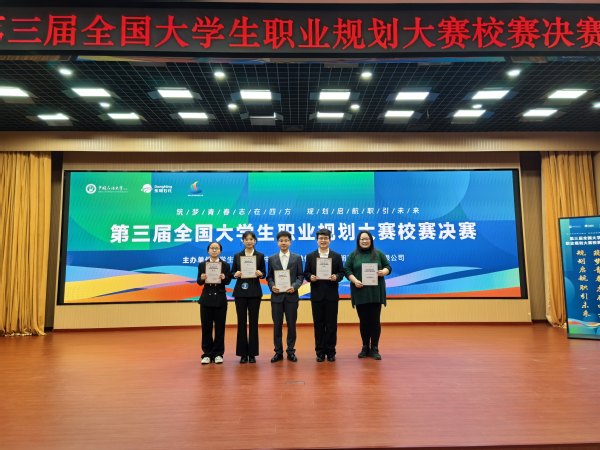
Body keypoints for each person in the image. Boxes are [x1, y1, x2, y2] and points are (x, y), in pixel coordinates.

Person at [344, 230, 392, 360]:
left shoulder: (378, 254)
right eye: (362, 239)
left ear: (371, 240)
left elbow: (388, 267)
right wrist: (355, 280)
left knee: (375, 321)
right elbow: (347, 270)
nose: (364, 241)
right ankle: (365, 347)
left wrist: (383, 272)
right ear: (358, 241)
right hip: (360, 292)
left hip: (375, 293)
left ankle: (374, 348)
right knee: (364, 321)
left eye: (367, 239)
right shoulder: (353, 255)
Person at [304, 228, 345, 362]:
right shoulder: (310, 256)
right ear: (317, 240)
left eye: (325, 238)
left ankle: (331, 351)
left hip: (331, 295)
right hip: (317, 295)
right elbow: (306, 273)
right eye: (320, 238)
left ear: (330, 240)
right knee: (318, 325)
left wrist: (336, 277)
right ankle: (320, 352)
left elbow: (341, 273)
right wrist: (310, 277)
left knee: (331, 325)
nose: (323, 240)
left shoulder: (336, 256)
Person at [266, 230, 304, 363]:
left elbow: (300, 276)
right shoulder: (272, 258)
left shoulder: (297, 258)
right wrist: (272, 286)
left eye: (286, 240)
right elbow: (269, 277)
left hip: (291, 296)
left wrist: (295, 286)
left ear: (290, 242)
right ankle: (278, 352)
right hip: (276, 297)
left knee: (291, 325)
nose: (283, 243)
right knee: (277, 325)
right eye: (281, 241)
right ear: (278, 243)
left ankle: (291, 351)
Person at [231, 231, 266, 364]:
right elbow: (232, 272)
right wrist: (235, 274)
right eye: (246, 239)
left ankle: (252, 354)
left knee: (253, 322)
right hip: (240, 293)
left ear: (255, 241)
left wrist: (260, 273)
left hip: (255, 292)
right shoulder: (237, 256)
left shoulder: (260, 256)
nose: (249, 241)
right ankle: (242, 354)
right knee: (241, 322)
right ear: (243, 241)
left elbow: (264, 273)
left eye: (251, 239)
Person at [196, 241, 232, 365]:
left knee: (220, 328)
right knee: (206, 328)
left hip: (220, 299)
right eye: (212, 248)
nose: (214, 250)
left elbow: (228, 281)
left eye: (217, 248)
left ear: (220, 251)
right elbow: (198, 282)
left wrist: (224, 278)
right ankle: (207, 354)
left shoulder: (225, 265)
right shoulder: (202, 265)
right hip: (206, 299)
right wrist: (202, 278)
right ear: (208, 251)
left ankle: (218, 354)